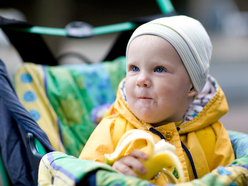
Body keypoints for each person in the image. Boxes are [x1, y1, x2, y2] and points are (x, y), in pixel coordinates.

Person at [79, 15, 235, 185]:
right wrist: (112, 176)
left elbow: (230, 178)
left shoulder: (214, 133)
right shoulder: (111, 129)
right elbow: (85, 176)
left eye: (159, 69)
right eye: (134, 68)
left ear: (191, 86)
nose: (141, 79)